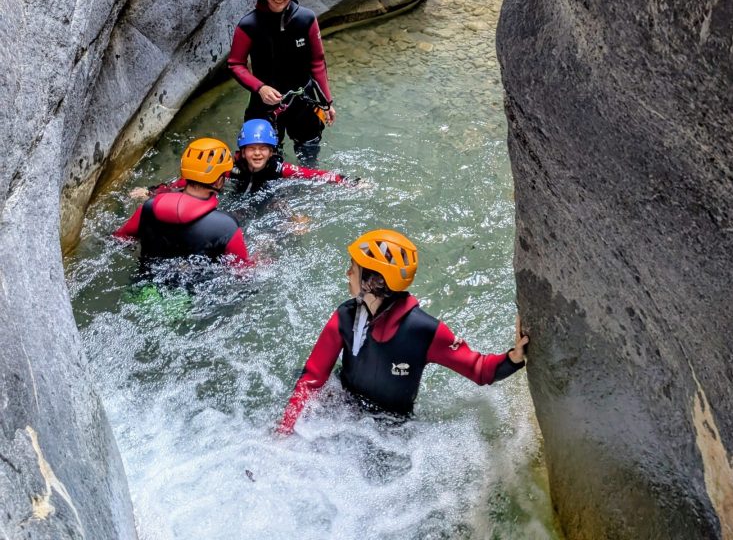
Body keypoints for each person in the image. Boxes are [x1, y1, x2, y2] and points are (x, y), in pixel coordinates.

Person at [279, 229, 529, 432]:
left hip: (389, 430)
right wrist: (284, 432)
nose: (347, 274)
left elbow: (479, 369)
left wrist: (514, 357)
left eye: (353, 270)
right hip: (343, 406)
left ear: (372, 281)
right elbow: (311, 378)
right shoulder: (345, 316)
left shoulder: (423, 331)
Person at [228, 0, 336, 164]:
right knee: (263, 164)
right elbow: (235, 64)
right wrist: (260, 88)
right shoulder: (249, 25)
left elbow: (317, 62)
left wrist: (327, 102)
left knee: (309, 155)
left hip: (303, 101)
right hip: (264, 103)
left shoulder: (306, 19)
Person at [113, 137, 251, 265]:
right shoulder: (226, 226)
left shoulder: (150, 207)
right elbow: (243, 272)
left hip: (142, 288)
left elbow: (119, 238)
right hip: (190, 291)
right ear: (218, 181)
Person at [231, 119, 350, 195]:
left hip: (270, 195)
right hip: (240, 191)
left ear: (271, 152)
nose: (257, 153)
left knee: (279, 205)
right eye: (251, 149)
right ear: (242, 153)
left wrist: (349, 182)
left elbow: (315, 174)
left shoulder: (279, 168)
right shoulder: (231, 167)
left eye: (263, 148)